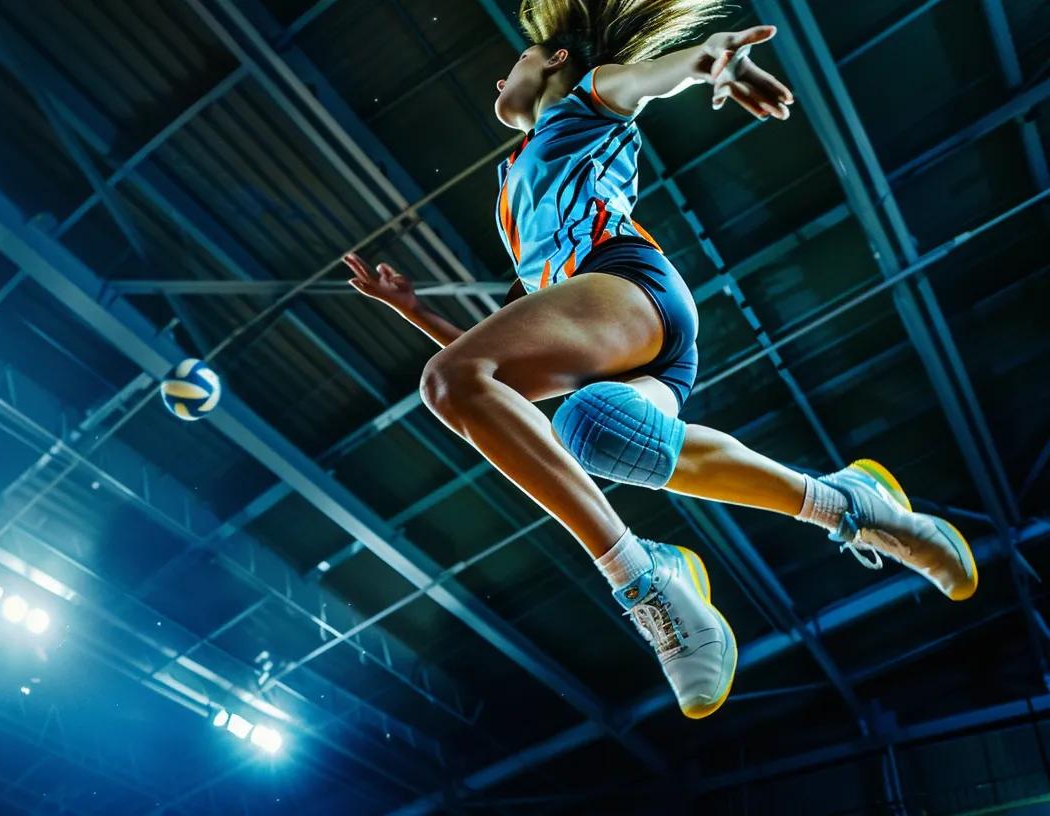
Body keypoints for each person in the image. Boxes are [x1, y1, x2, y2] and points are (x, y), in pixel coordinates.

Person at [343, 0, 976, 720]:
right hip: (636, 349)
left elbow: (652, 80)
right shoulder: (513, 189)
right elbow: (498, 365)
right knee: (592, 429)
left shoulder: (586, 99)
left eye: (513, 63)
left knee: (454, 382)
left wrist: (713, 59)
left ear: (555, 61)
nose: (496, 83)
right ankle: (854, 507)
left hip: (626, 288)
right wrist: (417, 312)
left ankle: (642, 582)